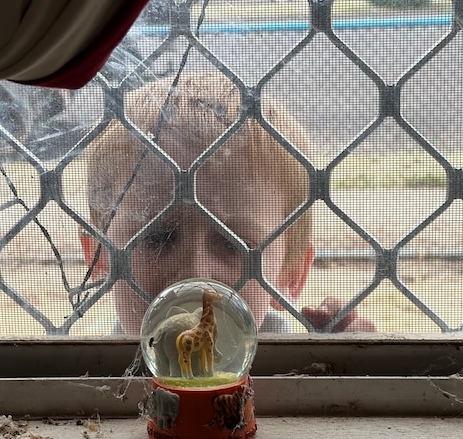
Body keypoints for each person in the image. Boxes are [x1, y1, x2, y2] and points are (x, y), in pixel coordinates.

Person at [79, 72, 374, 335]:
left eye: (233, 243)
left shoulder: (295, 365)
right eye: (156, 238)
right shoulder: (88, 369)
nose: (197, 274)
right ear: (100, 260)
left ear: (291, 273)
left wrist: (346, 367)